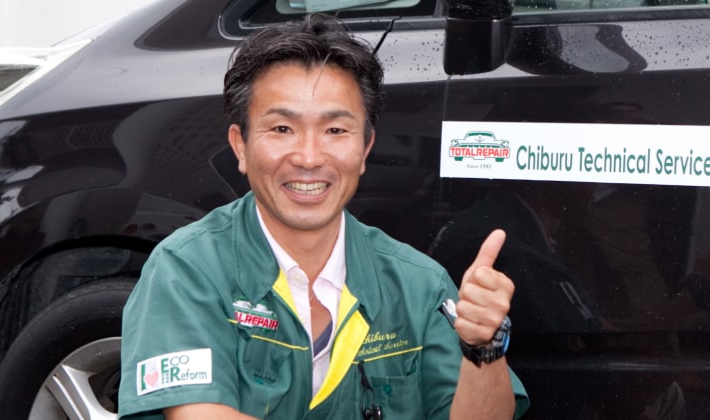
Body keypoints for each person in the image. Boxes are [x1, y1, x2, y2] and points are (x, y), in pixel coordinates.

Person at [119, 14, 528, 419]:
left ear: (365, 149)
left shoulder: (419, 285)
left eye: (335, 130)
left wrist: (483, 348)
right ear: (240, 146)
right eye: (282, 129)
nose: (309, 158)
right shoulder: (187, 269)